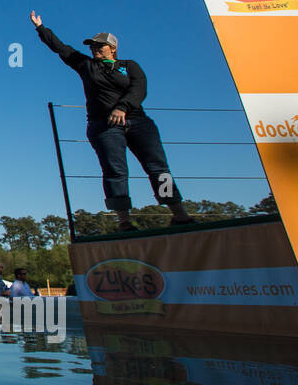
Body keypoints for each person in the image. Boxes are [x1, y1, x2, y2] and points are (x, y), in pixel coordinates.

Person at [32, 12, 194, 232]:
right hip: (104, 127)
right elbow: (61, 48)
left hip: (139, 123)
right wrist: (41, 28)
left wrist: (123, 107)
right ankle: (124, 221)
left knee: (159, 168)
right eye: (92, 46)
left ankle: (179, 213)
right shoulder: (87, 65)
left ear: (113, 48)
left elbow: (139, 88)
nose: (95, 49)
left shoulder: (129, 66)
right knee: (115, 171)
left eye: (100, 46)